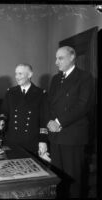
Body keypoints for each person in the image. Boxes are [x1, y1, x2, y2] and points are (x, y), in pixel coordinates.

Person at [45, 46, 94, 198]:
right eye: (56, 58)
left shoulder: (85, 77)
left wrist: (59, 122)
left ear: (72, 57)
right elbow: (49, 103)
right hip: (55, 135)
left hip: (72, 135)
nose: (56, 62)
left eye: (60, 58)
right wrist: (49, 121)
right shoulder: (55, 79)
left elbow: (83, 105)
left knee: (73, 180)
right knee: (57, 178)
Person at [0, 63, 48, 157]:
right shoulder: (10, 92)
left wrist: (43, 140)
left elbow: (43, 120)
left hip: (31, 141)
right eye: (16, 74)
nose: (17, 77)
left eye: (20, 74)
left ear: (29, 75)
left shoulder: (40, 94)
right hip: (12, 140)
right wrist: (2, 120)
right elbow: (4, 112)